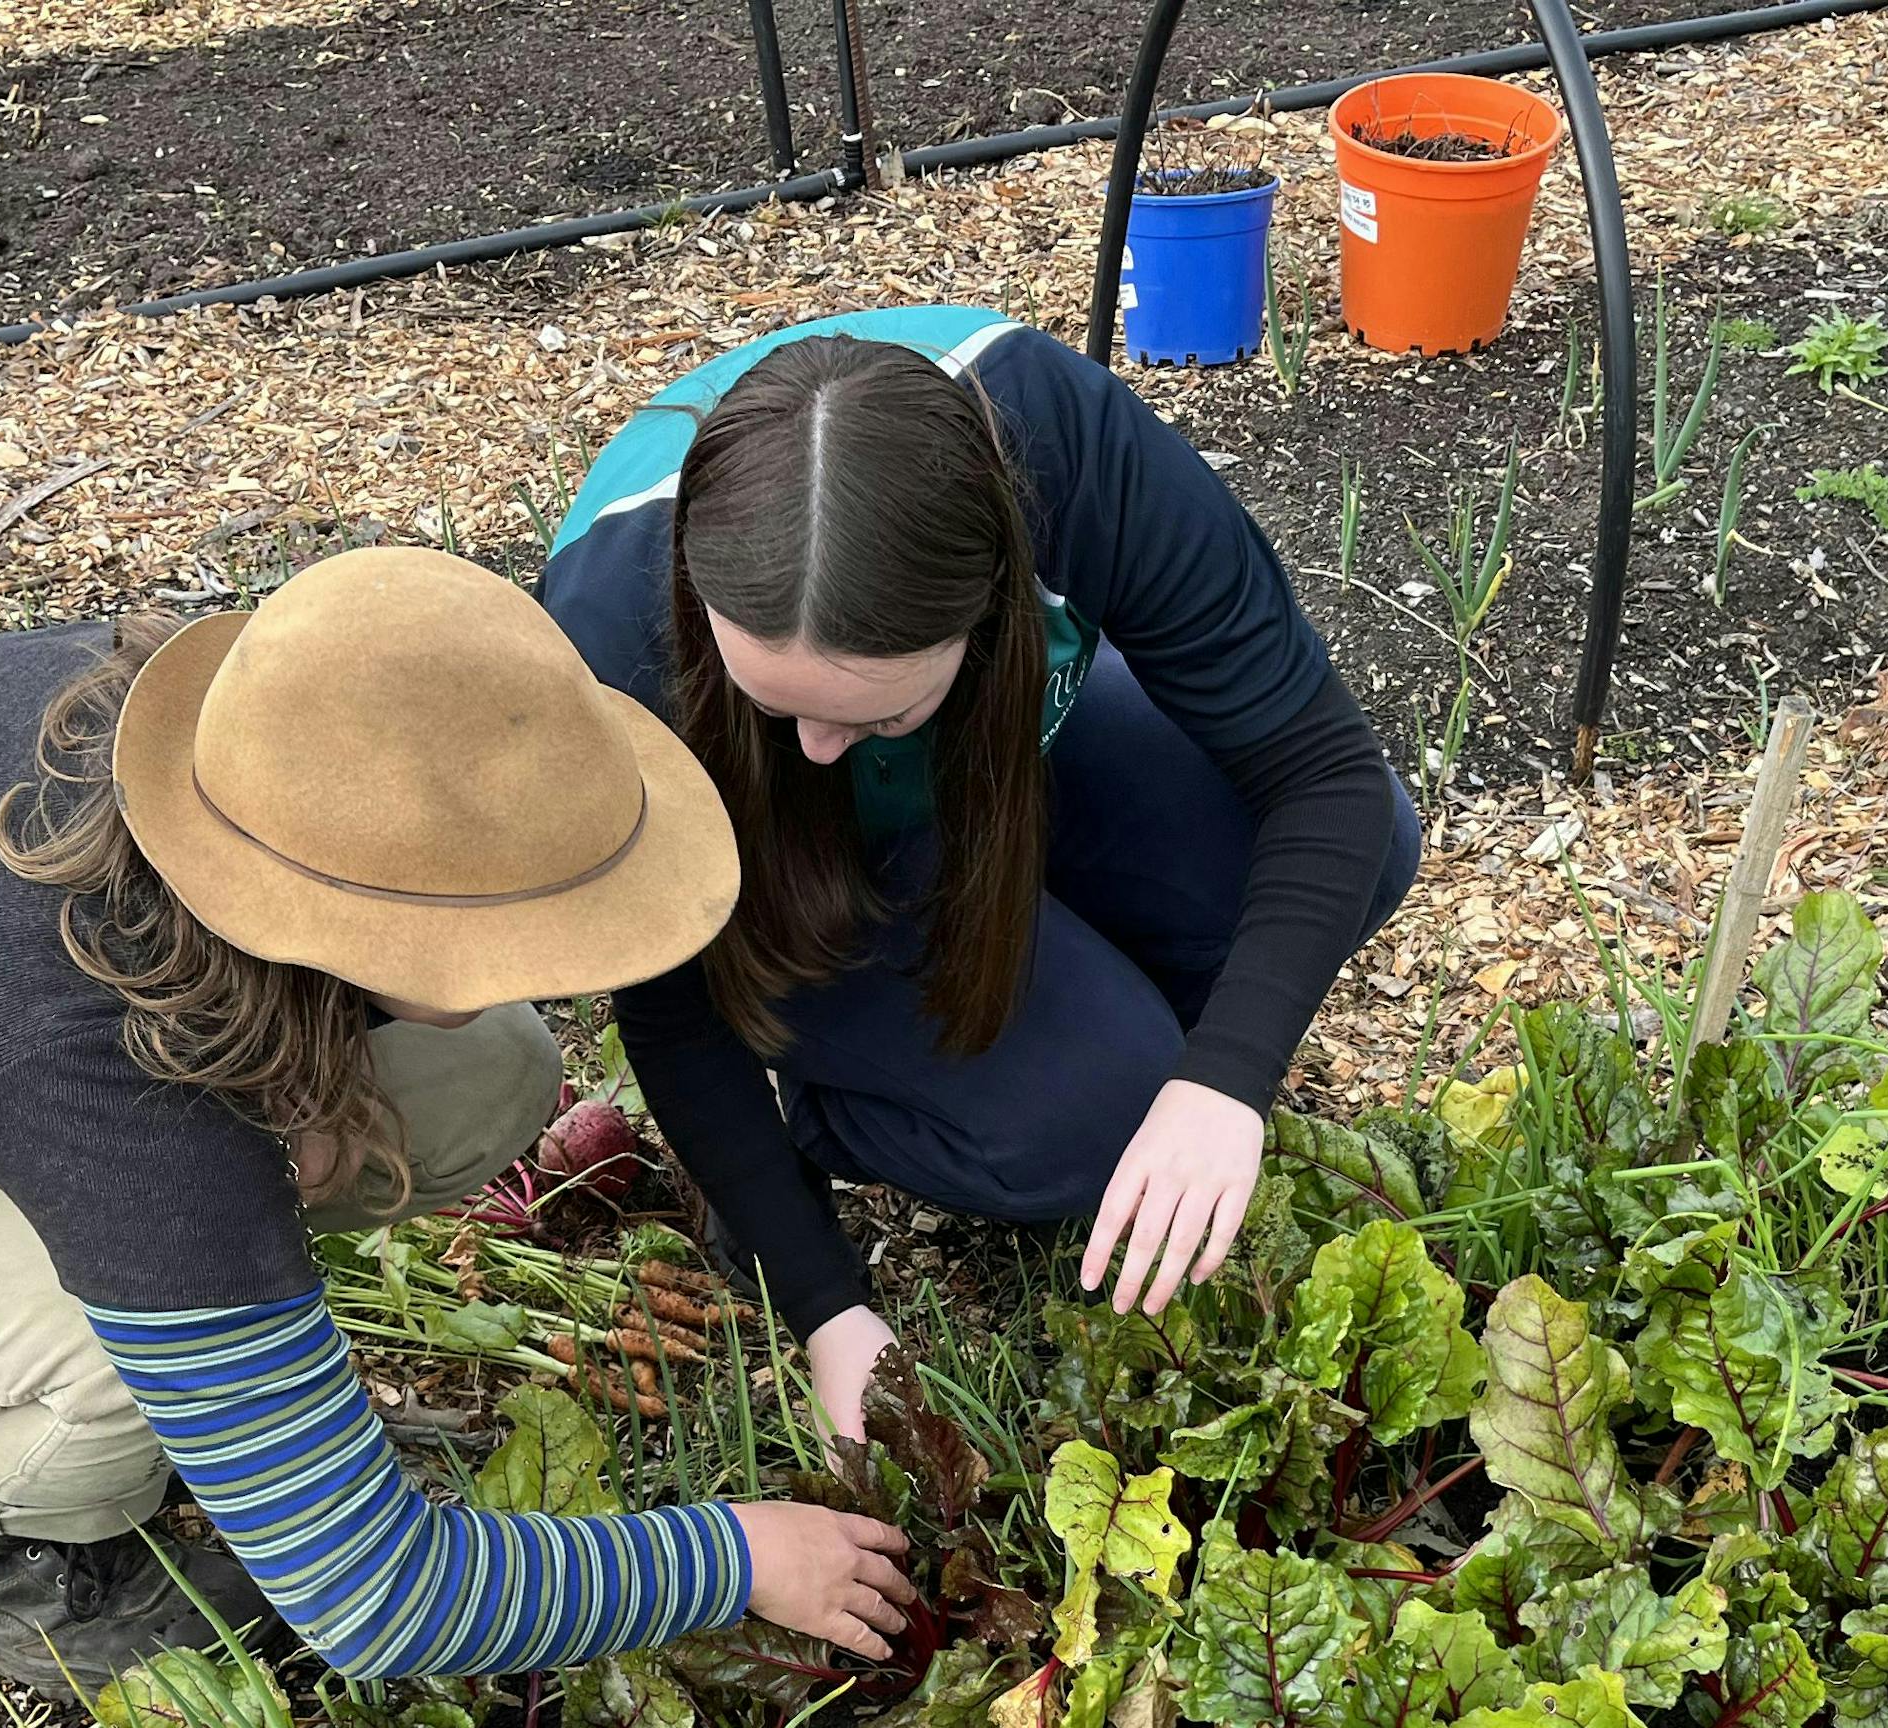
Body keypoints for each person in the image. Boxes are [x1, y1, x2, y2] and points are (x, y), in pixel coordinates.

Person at [0, 548, 913, 1698]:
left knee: (491, 1071)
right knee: (103, 1342)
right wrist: (732, 1554)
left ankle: (207, 1380)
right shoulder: (101, 1060)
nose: (561, 958)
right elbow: (374, 1601)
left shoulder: (229, 733)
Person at [537, 305, 1423, 1441]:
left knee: (1370, 850)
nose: (813, 745)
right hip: (798, 862)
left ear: (995, 598)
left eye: (874, 708)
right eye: (777, 704)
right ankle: (868, 1094)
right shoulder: (615, 650)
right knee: (1093, 1121)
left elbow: (1326, 778)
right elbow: (671, 1010)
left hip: (1003, 739)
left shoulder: (1063, 447)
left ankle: (1075, 1018)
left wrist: (1223, 1082)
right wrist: (827, 1311)